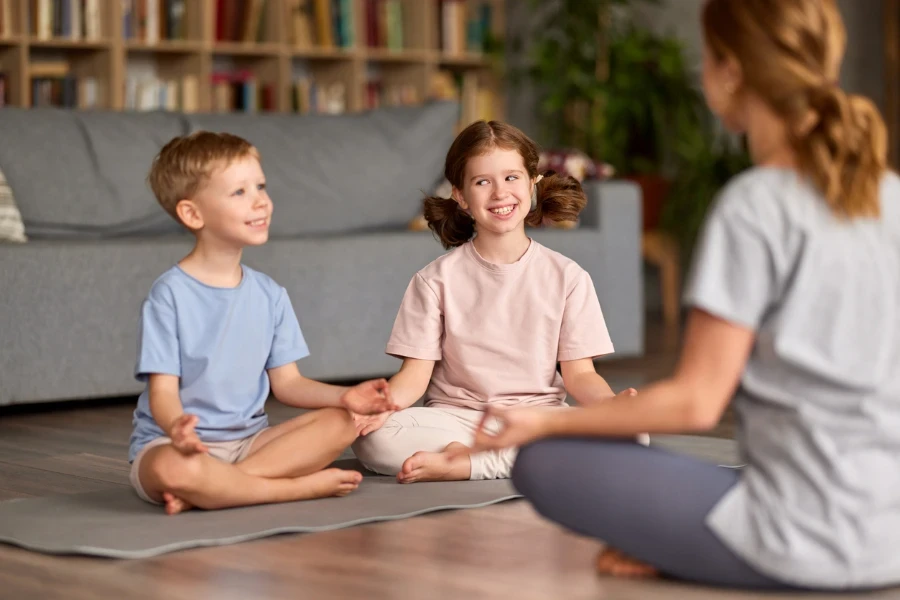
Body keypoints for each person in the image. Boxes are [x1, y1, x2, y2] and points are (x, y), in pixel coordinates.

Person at [464, 0, 899, 591]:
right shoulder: (889, 193)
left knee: (546, 462)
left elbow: (698, 401)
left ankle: (693, 551)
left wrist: (538, 425)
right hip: (890, 536)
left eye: (707, 57)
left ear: (732, 72)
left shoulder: (756, 204)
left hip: (803, 543)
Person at [351, 119, 644, 484]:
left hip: (537, 418)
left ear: (532, 183)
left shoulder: (569, 277)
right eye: (482, 182)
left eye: (511, 178)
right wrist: (379, 409)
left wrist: (611, 406)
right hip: (456, 420)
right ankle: (493, 457)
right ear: (460, 195)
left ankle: (468, 464)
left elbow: (581, 375)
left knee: (635, 434)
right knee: (374, 439)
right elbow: (414, 378)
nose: (500, 193)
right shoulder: (433, 280)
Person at [129, 131, 398, 515]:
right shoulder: (168, 295)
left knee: (342, 423)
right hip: (176, 447)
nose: (261, 201)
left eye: (260, 186)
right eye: (239, 192)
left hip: (249, 444)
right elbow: (163, 394)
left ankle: (222, 488)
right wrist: (176, 429)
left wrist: (346, 396)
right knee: (174, 468)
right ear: (192, 213)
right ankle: (287, 489)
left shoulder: (270, 294)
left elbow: (288, 384)